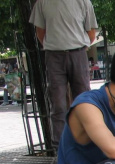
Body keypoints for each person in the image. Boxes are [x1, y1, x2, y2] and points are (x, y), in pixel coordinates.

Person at [29, 0, 98, 149]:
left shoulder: (84, 2)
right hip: (54, 55)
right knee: (57, 101)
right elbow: (40, 32)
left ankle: (88, 140)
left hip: (77, 52)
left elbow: (91, 33)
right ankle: (60, 146)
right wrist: (54, 46)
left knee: (84, 100)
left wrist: (78, 46)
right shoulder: (43, 3)